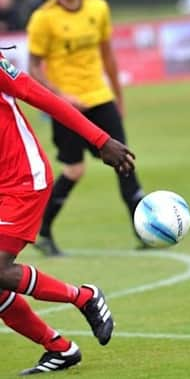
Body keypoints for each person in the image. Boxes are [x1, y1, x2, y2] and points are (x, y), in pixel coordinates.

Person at [0, 51, 135, 375]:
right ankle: (60, 350)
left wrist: (100, 140)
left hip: (22, 179)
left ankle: (84, 297)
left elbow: (39, 95)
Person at [26, 0, 146, 256]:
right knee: (74, 170)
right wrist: (60, 96)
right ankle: (43, 232)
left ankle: (144, 230)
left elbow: (108, 56)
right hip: (65, 106)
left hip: (100, 98)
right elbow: (34, 67)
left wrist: (118, 97)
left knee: (124, 162)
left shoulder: (98, 8)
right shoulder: (43, 18)